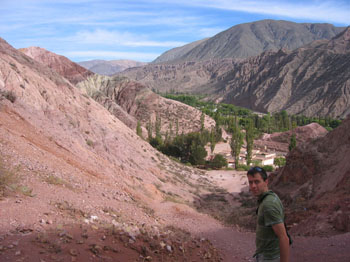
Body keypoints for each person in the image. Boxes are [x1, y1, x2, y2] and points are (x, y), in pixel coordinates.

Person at [247, 166, 290, 262]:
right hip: (263, 255)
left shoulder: (268, 205)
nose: (253, 186)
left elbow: (283, 238)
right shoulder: (270, 197)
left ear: (266, 182)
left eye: (257, 181)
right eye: (250, 182)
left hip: (269, 258)